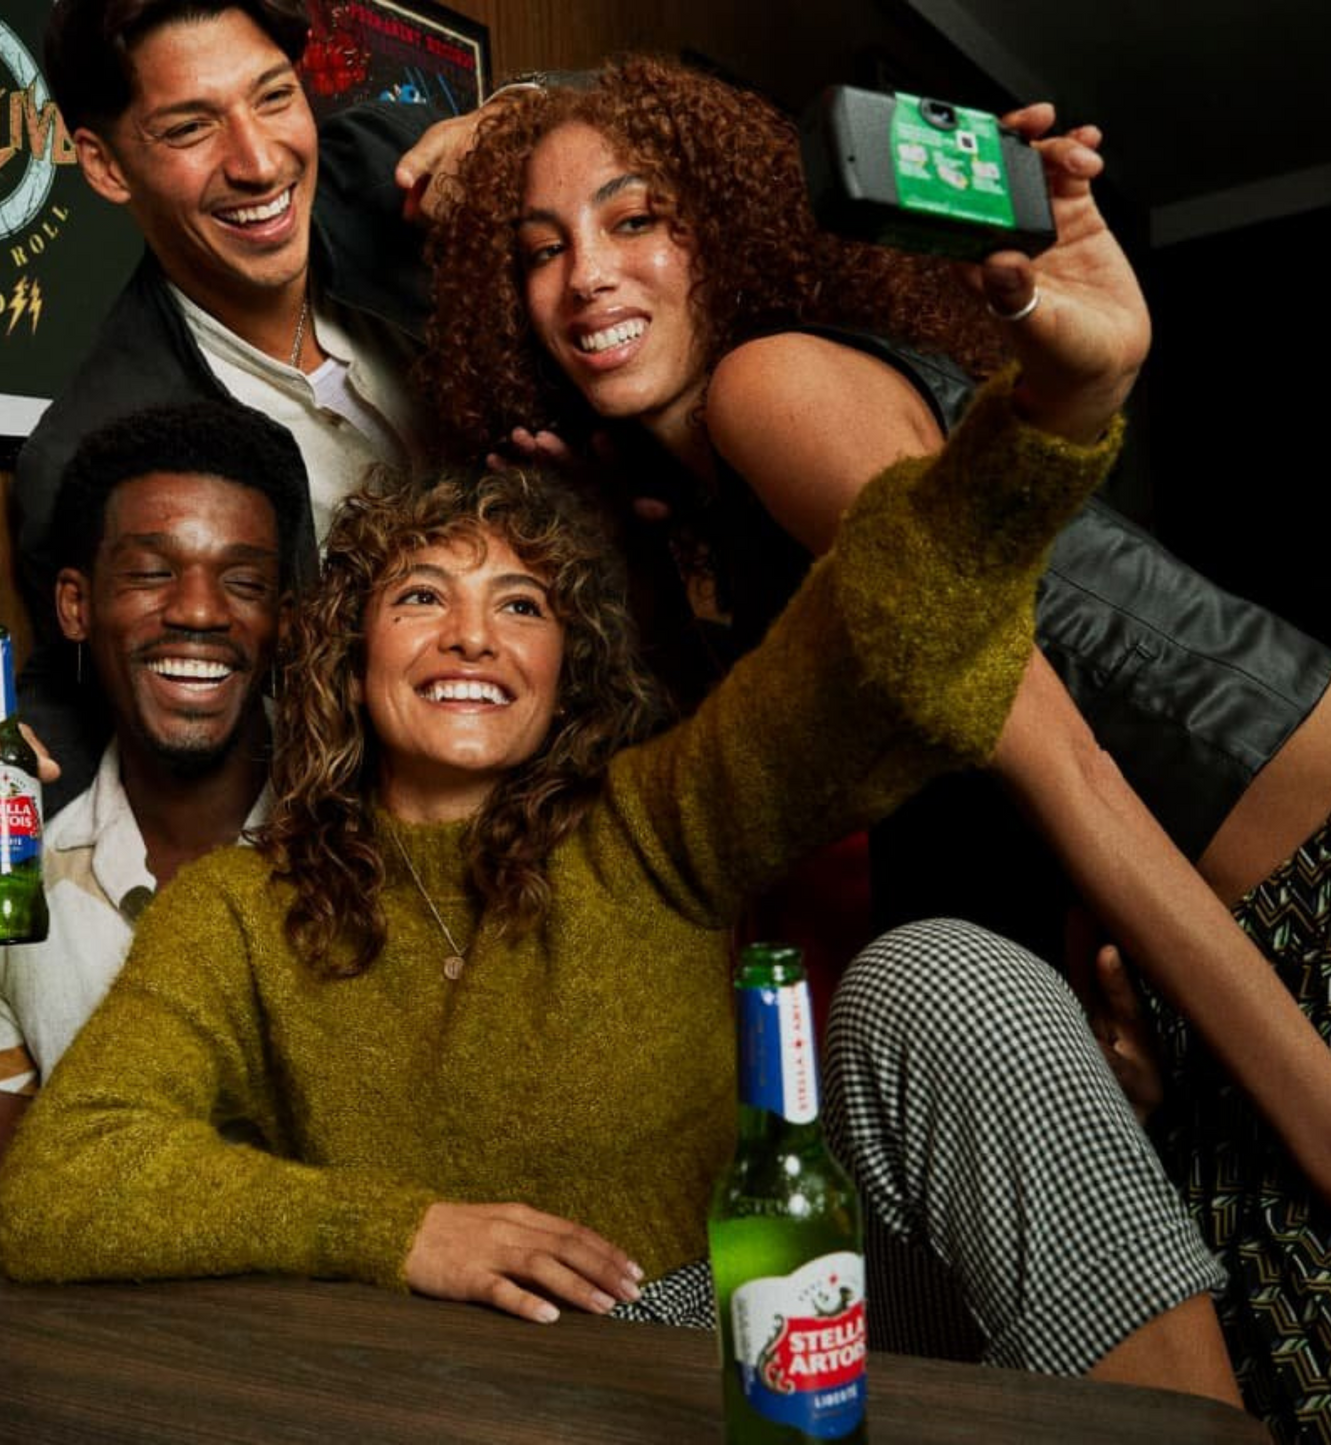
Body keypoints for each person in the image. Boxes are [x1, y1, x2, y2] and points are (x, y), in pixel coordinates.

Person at [420, 57, 1331, 1440]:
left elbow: (1065, 768)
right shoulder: (707, 499)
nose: (587, 277)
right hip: (1236, 949)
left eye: (637, 217)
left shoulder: (766, 388)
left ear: (723, 226)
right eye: (541, 251)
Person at [0, 371, 1238, 1402]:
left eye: (518, 605)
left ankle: (1191, 1439)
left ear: (563, 666)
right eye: (421, 596)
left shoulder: (654, 818)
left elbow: (867, 653)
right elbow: (62, 1183)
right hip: (470, 1383)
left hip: (764, 1317)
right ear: (347, 649)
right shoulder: (239, 906)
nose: (471, 637)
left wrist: (1050, 416)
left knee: (941, 972)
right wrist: (401, 1228)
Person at [12, 0, 476, 802]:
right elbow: (87, 703)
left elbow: (620, 125)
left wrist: (529, 106)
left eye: (273, 96)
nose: (259, 162)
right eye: (190, 128)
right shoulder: (92, 445)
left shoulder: (384, 163)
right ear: (106, 165)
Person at [0, 398, 310, 1156]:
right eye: (150, 572)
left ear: (287, 618)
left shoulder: (378, 848)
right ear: (76, 605)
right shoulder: (18, 882)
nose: (198, 610)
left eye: (243, 582)